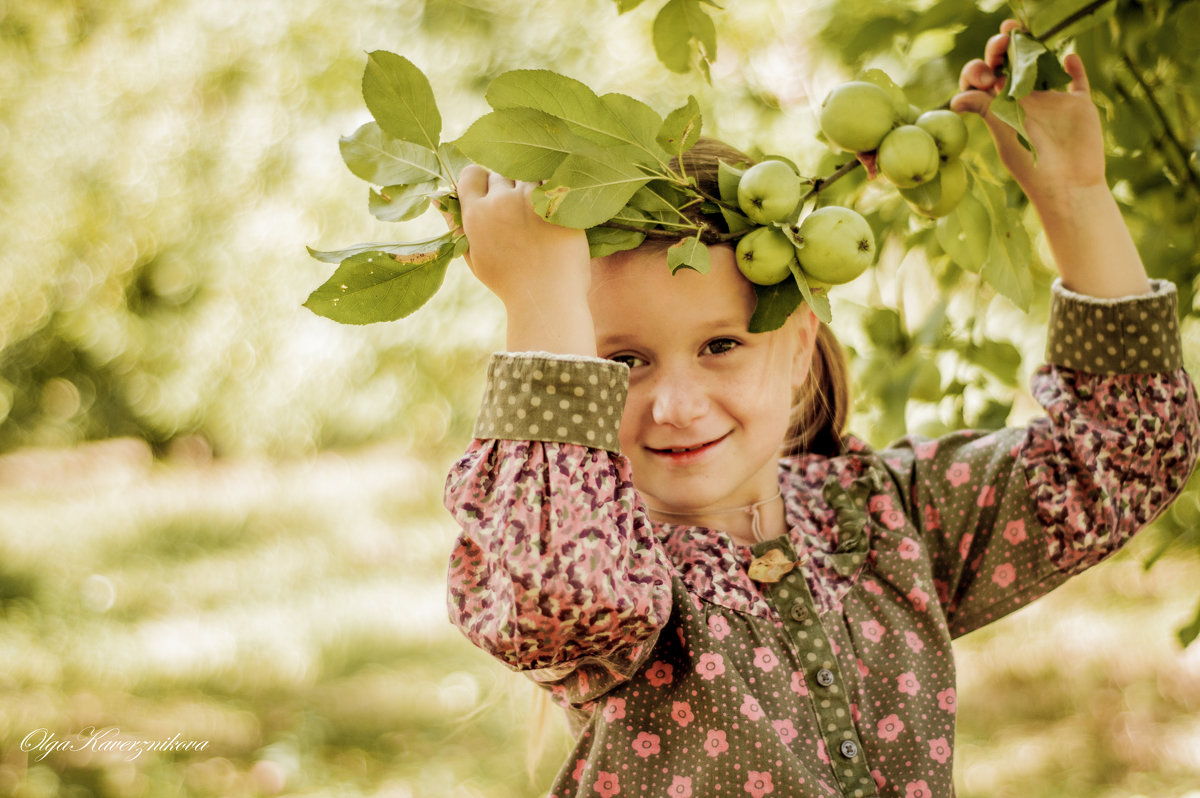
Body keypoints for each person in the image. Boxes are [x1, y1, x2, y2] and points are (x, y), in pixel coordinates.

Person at [441, 21, 1200, 798]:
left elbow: (1123, 456)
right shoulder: (620, 578)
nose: (674, 404)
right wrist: (538, 302)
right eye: (620, 363)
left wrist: (1074, 197)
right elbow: (557, 593)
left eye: (719, 346)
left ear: (799, 345)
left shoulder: (883, 522)